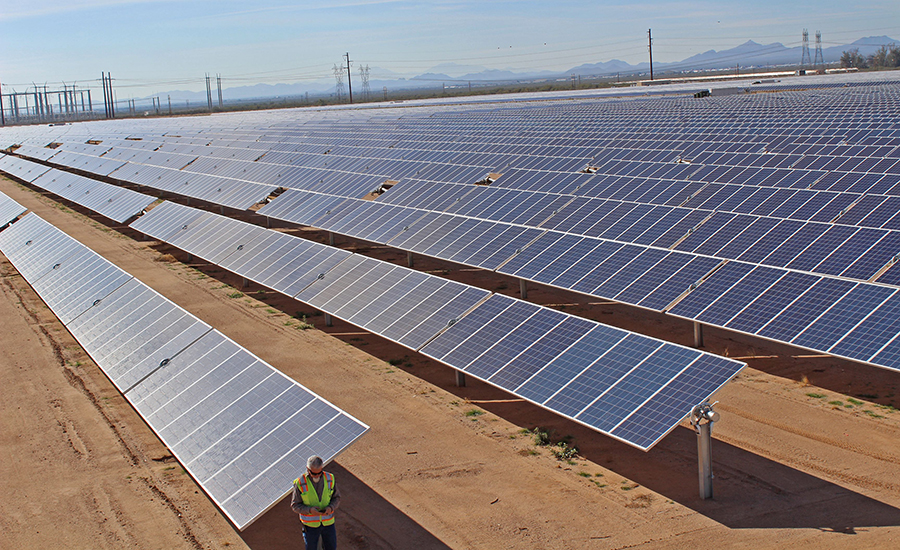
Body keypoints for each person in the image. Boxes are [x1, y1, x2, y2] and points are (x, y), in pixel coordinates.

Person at [292, 455, 340, 550]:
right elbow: (295, 505)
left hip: (328, 523)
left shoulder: (330, 478)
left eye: (319, 473)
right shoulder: (300, 482)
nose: (317, 476)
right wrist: (309, 510)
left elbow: (337, 497)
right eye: (314, 474)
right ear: (307, 469)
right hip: (310, 526)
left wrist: (331, 507)